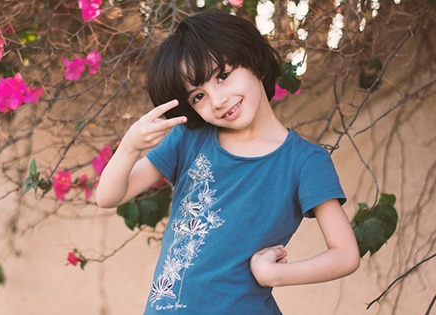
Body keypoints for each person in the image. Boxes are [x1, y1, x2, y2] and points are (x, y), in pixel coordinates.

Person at [96, 11, 360, 314]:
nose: (218, 100)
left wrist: (275, 274)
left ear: (253, 60)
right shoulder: (189, 139)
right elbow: (108, 196)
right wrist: (129, 147)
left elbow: (345, 254)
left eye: (223, 76)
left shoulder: (304, 161)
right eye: (198, 96)